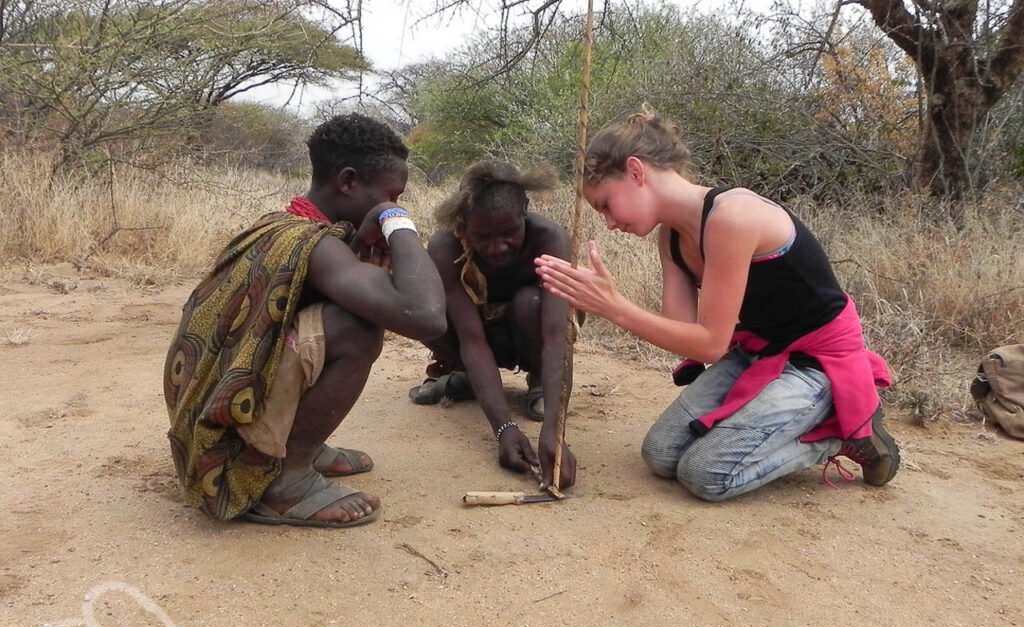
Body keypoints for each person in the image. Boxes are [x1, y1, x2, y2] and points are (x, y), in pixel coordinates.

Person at [534, 109, 900, 502]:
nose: (608, 223)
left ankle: (840, 433)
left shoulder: (733, 217)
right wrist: (608, 303)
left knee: (705, 475)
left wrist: (614, 308)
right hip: (759, 352)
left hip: (818, 362)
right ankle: (779, 425)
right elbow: (687, 338)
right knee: (659, 455)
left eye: (606, 204)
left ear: (637, 172)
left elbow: (709, 344)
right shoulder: (671, 238)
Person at [164, 113, 445, 527]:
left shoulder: (281, 226)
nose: (394, 203)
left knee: (337, 320)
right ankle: (286, 482)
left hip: (202, 431)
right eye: (390, 194)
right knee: (355, 330)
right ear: (347, 182)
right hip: (220, 452)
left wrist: (363, 234)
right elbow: (426, 317)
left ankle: (300, 448)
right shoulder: (315, 245)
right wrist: (396, 221)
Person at [408, 161, 577, 491]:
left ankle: (540, 381)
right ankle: (470, 378)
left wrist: (554, 431)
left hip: (530, 333)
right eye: (481, 236)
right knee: (427, 315)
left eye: (510, 233)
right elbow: (471, 338)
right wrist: (504, 428)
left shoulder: (551, 240)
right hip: (479, 337)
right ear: (462, 224)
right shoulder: (446, 247)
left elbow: (558, 336)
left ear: (526, 211)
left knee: (529, 302)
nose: (497, 247)